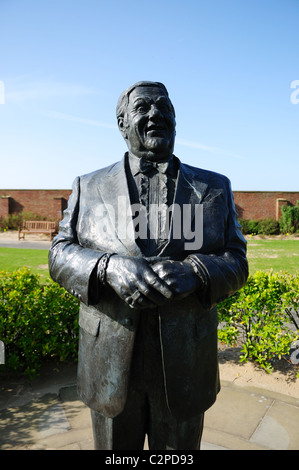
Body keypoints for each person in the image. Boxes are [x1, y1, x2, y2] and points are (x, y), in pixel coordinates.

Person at [49, 81, 248, 450]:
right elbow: (60, 252)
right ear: (123, 124)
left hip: (186, 359)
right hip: (109, 359)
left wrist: (197, 272)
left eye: (164, 107)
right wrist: (107, 268)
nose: (156, 114)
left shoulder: (215, 187)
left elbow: (236, 260)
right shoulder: (89, 186)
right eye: (143, 107)